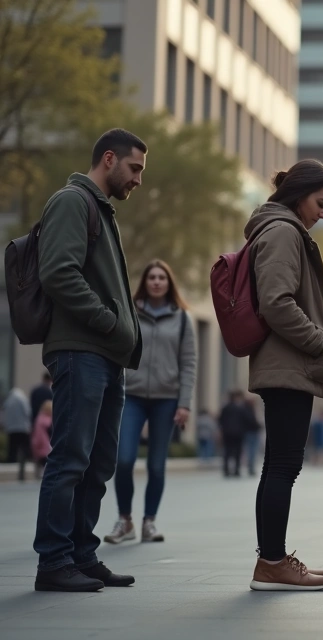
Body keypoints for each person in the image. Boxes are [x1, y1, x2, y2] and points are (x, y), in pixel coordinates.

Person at [33, 129, 146, 592]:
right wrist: (108, 322)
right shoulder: (72, 201)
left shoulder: (101, 209)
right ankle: (54, 561)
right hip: (81, 351)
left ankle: (82, 554)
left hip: (105, 355)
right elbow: (58, 272)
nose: (138, 179)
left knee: (99, 463)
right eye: (134, 168)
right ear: (109, 158)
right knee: (71, 460)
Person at [243, 159, 323, 591]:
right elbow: (276, 302)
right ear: (299, 195)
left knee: (279, 465)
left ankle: (273, 559)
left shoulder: (281, 229)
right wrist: (319, 341)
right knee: (283, 466)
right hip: (288, 365)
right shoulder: (283, 231)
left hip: (286, 365)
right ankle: (272, 563)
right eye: (321, 203)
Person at [105, 260, 197, 546]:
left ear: (169, 283)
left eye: (162, 277)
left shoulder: (182, 319)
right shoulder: (130, 313)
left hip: (166, 400)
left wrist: (184, 403)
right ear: (144, 282)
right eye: (152, 277)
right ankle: (125, 520)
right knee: (124, 460)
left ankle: (149, 522)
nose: (156, 281)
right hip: (131, 396)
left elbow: (188, 363)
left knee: (157, 465)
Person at [219, 390, 256, 477]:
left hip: (227, 433)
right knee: (237, 451)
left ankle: (226, 469)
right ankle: (236, 470)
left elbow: (220, 420)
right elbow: (248, 419)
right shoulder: (241, 408)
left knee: (227, 451)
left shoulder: (225, 408)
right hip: (239, 433)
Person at [4, 387, 32, 482]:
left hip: (11, 428)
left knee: (12, 447)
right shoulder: (22, 399)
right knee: (24, 447)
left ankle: (12, 461)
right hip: (23, 427)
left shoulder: (8, 401)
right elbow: (27, 411)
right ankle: (25, 460)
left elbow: (5, 414)